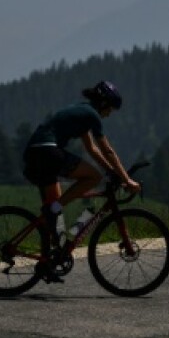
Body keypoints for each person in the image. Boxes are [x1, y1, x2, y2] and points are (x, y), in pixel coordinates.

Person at [22, 80, 141, 278]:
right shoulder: (92, 115)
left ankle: (50, 261)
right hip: (47, 151)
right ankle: (54, 210)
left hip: (35, 154)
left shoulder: (83, 112)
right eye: (110, 109)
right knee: (92, 177)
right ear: (103, 103)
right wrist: (126, 179)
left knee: (56, 219)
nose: (109, 114)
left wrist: (112, 171)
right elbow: (107, 150)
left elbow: (92, 149)